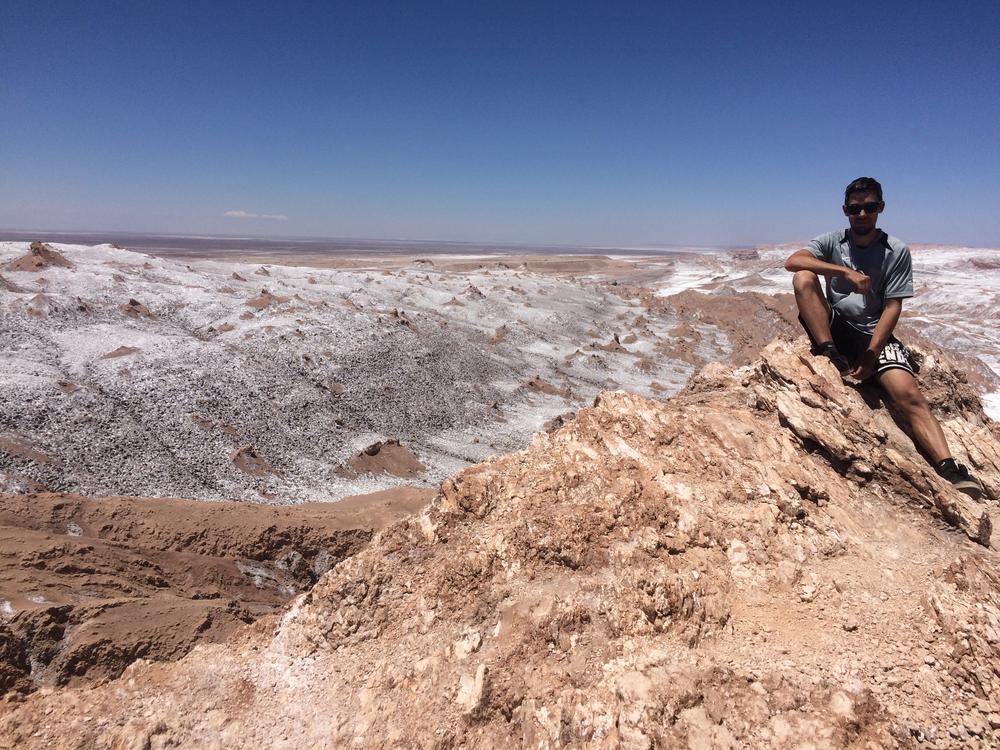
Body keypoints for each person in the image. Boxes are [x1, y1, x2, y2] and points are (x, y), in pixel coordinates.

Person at [784, 176, 984, 499]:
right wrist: (843, 272)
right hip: (835, 325)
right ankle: (828, 352)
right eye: (855, 208)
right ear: (845, 210)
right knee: (804, 279)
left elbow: (893, 307)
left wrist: (872, 352)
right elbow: (793, 263)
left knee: (908, 395)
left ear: (881, 208)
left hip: (874, 333)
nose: (862, 214)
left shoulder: (896, 251)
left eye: (869, 207)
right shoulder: (834, 241)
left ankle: (948, 468)